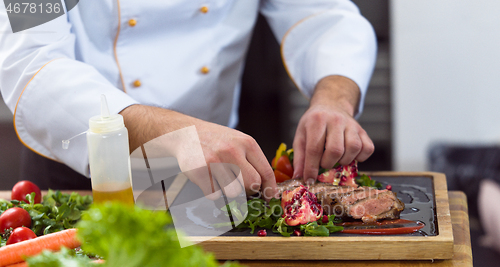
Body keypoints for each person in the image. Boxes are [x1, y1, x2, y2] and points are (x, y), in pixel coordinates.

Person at [0, 1, 377, 197]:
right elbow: (32, 60)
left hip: (212, 168)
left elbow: (324, 13)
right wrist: (172, 133)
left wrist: (334, 97)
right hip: (88, 161)